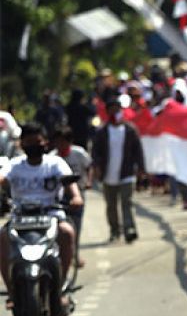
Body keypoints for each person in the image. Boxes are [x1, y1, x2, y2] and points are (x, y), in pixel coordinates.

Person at [0, 122, 83, 305]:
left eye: (37, 141)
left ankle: (61, 286)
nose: (33, 146)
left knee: (67, 233)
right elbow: (3, 177)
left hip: (51, 215)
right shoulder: (14, 165)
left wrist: (76, 197)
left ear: (45, 142)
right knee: (3, 238)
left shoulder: (55, 163)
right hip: (20, 217)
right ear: (21, 144)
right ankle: (12, 293)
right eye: (28, 142)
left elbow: (70, 183)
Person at [92, 98, 145, 243]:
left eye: (117, 109)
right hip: (108, 174)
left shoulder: (130, 130)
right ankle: (115, 231)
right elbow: (96, 152)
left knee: (127, 202)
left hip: (126, 173)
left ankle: (129, 229)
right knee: (111, 205)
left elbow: (138, 151)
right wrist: (96, 167)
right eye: (112, 109)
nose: (115, 112)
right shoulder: (102, 131)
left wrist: (141, 168)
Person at [50, 125, 93, 267]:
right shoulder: (52, 157)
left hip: (77, 194)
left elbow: (89, 167)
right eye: (57, 142)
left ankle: (75, 255)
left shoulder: (79, 153)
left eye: (63, 141)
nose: (60, 145)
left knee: (76, 227)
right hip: (58, 197)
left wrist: (88, 181)